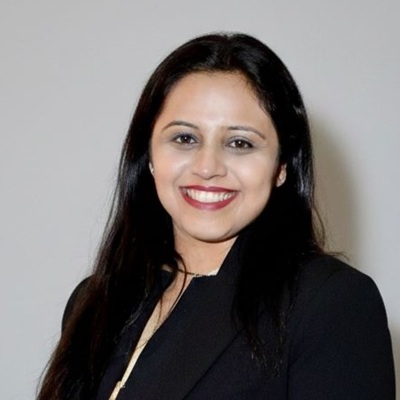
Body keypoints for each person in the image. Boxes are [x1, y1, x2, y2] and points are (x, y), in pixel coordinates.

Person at [37, 32, 395, 400]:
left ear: (281, 167)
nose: (207, 167)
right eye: (185, 139)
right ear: (149, 157)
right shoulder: (95, 301)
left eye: (240, 143)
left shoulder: (330, 304)